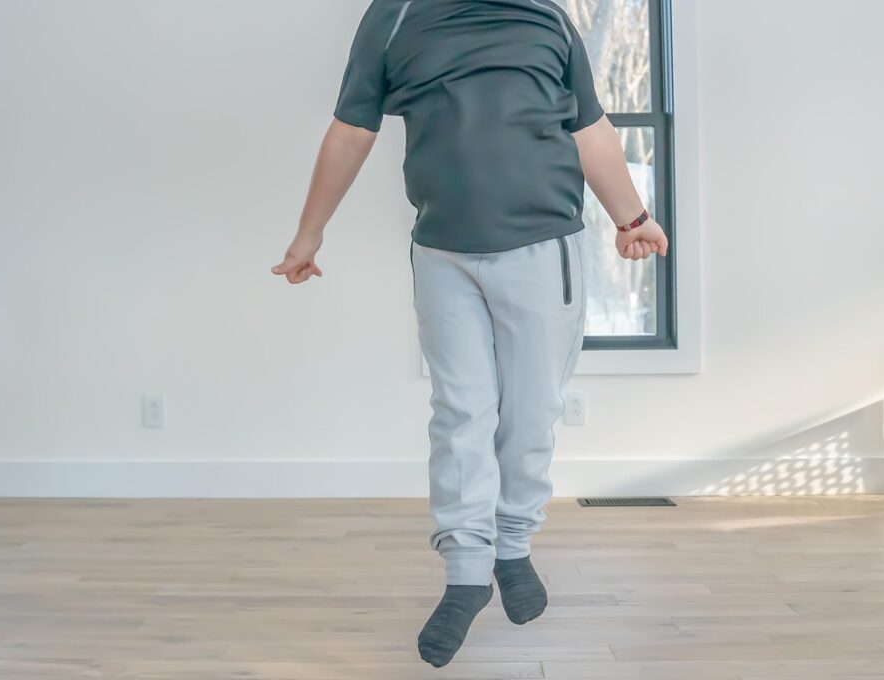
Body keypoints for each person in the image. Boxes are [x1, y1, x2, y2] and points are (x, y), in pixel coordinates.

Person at [272, 0, 669, 668]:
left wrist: (632, 218)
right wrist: (309, 233)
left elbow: (590, 126)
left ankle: (512, 548)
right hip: (444, 256)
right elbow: (351, 129)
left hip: (544, 249)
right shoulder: (395, 16)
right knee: (460, 412)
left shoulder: (547, 17)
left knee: (530, 411)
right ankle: (465, 573)